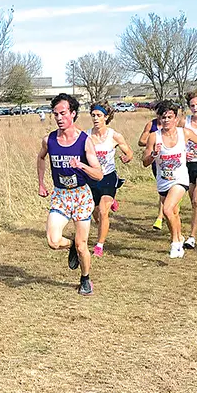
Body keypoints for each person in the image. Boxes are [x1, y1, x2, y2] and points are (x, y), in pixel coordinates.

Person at [37, 93, 103, 295]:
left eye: (63, 113)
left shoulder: (85, 141)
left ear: (73, 113)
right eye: (55, 114)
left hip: (81, 196)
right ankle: (71, 246)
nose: (58, 118)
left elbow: (98, 174)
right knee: (53, 241)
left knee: (83, 246)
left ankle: (85, 279)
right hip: (60, 196)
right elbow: (40, 158)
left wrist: (81, 165)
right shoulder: (49, 140)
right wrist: (41, 183)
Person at [143, 100, 197, 258]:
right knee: (174, 212)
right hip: (163, 179)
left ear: (176, 119)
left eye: (170, 117)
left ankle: (175, 243)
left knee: (167, 209)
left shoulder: (184, 133)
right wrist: (154, 155)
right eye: (163, 117)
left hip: (180, 178)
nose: (166, 120)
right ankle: (178, 237)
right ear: (159, 119)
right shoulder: (153, 137)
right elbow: (145, 162)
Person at [86, 101, 133, 257]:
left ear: (106, 117)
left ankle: (99, 245)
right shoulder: (85, 136)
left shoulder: (114, 136)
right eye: (93, 115)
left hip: (108, 177)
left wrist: (127, 158)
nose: (95, 119)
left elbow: (129, 152)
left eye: (99, 115)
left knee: (104, 212)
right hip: (92, 179)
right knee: (96, 213)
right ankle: (104, 225)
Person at [178, 89, 197, 249]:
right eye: (192, 105)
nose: (195, 108)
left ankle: (192, 237)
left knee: (196, 198)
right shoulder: (184, 122)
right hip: (186, 165)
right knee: (196, 203)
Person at [138, 105, 163, 230]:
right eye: (158, 113)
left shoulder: (172, 124)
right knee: (162, 189)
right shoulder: (151, 125)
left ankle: (160, 216)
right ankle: (162, 215)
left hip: (172, 160)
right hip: (155, 161)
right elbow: (141, 141)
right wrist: (153, 141)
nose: (160, 117)